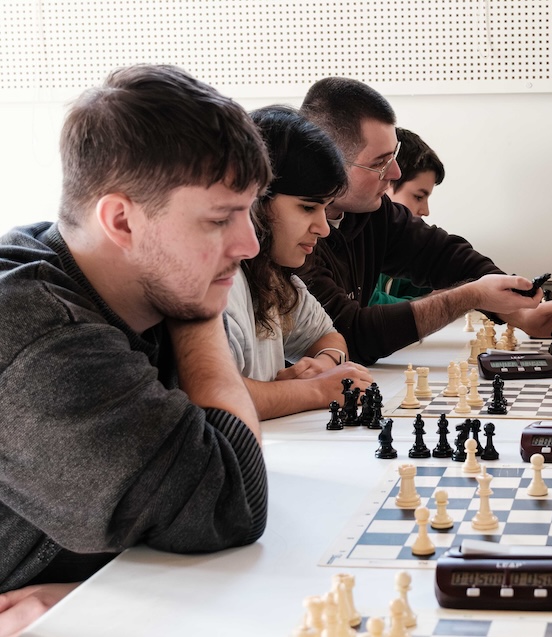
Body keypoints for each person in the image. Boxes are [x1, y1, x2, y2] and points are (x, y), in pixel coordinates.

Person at [0, 65, 270, 635]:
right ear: (121, 221)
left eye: (250, 210)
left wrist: (100, 591)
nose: (249, 244)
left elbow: (221, 455)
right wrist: (201, 310)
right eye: (220, 219)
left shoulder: (130, 290)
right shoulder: (41, 335)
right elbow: (233, 501)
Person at [296, 77, 552, 365]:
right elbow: (352, 334)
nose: (395, 173)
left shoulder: (372, 211)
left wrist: (521, 313)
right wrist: (469, 296)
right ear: (327, 161)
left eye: (393, 156)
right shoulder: (294, 237)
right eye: (379, 163)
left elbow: (441, 255)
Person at [225, 105, 374, 419]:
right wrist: (318, 389)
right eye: (307, 207)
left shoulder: (273, 276)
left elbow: (329, 337)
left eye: (324, 209)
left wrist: (322, 364)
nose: (323, 228)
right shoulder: (225, 281)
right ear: (255, 200)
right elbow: (220, 396)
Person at [368, 127, 445, 305]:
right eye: (418, 197)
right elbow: (369, 305)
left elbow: (424, 283)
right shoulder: (361, 240)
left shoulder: (395, 243)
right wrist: (438, 303)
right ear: (385, 183)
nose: (425, 211)